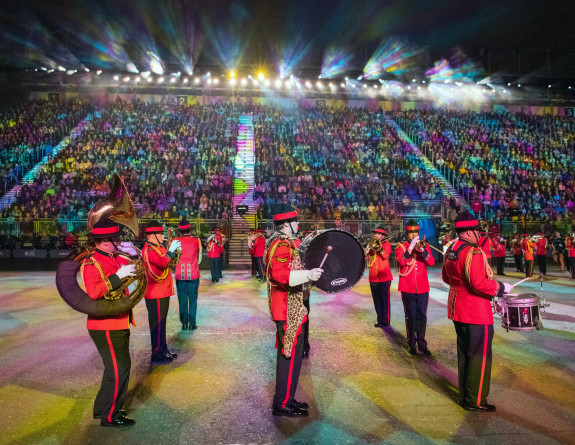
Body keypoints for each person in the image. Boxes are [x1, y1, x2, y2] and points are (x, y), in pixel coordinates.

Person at [442, 211, 512, 412]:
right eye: (477, 231)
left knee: (465, 354)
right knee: (479, 356)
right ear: (471, 232)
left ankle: (465, 396)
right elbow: (479, 283)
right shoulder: (472, 252)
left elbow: (447, 279)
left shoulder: (452, 248)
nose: (479, 235)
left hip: (457, 307)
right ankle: (476, 400)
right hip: (475, 310)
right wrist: (500, 288)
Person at [265, 204, 323, 417]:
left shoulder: (283, 242)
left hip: (292, 306)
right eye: (295, 221)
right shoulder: (281, 245)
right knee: (289, 356)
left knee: (293, 356)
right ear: (286, 224)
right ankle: (282, 404)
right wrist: (308, 275)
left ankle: (287, 398)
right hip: (287, 307)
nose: (298, 224)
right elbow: (282, 275)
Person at [81, 218, 137, 427]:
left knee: (113, 368)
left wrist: (132, 253)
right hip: (106, 324)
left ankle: (100, 408)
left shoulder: (112, 257)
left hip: (117, 320)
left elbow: (136, 268)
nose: (117, 242)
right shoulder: (92, 262)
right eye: (115, 239)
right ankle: (111, 415)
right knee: (120, 368)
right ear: (104, 241)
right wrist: (118, 276)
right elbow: (94, 292)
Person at [142, 220, 181, 363]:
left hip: (162, 291)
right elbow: (162, 262)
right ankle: (157, 354)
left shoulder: (158, 247)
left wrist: (174, 252)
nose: (163, 236)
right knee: (157, 325)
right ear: (152, 235)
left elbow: (169, 261)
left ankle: (163, 350)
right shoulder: (150, 249)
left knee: (162, 323)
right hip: (155, 293)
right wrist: (170, 251)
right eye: (160, 234)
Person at [394, 219, 435, 355]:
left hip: (423, 287)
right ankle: (411, 343)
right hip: (408, 287)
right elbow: (402, 261)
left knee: (422, 316)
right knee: (410, 316)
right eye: (411, 232)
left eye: (415, 232)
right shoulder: (401, 246)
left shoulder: (424, 245)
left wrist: (422, 250)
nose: (413, 234)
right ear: (407, 233)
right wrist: (410, 248)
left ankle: (422, 344)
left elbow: (431, 262)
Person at [175, 219, 202, 330]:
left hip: (180, 275)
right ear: (190, 230)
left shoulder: (175, 241)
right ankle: (192, 323)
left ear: (180, 231)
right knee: (193, 299)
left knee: (182, 299)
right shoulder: (196, 241)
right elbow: (199, 256)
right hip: (193, 274)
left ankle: (184, 323)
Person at [366, 226, 393, 328]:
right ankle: (379, 319)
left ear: (382, 236)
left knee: (385, 300)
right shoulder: (371, 244)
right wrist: (370, 247)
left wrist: (379, 247)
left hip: (384, 277)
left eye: (378, 234)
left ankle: (385, 321)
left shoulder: (387, 244)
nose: (376, 235)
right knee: (376, 300)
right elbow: (366, 255)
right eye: (375, 233)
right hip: (373, 276)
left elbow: (385, 256)